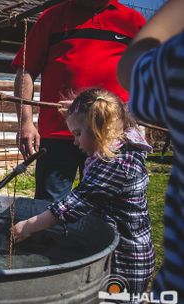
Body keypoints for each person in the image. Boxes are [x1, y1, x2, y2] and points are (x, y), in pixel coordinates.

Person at [12, 88, 155, 295]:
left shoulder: (116, 165)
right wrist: (84, 110)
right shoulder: (122, 143)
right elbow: (122, 114)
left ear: (100, 128)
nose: (75, 141)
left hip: (127, 258)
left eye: (78, 133)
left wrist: (29, 225)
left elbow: (74, 204)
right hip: (116, 247)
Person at [12, 0, 145, 201]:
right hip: (57, 133)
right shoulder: (51, 17)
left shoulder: (132, 21)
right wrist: (25, 122)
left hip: (109, 135)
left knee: (103, 206)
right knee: (50, 204)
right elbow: (26, 70)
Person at [118, 0, 184, 297]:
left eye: (78, 132)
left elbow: (130, 67)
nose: (75, 139)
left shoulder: (177, 60)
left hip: (145, 269)